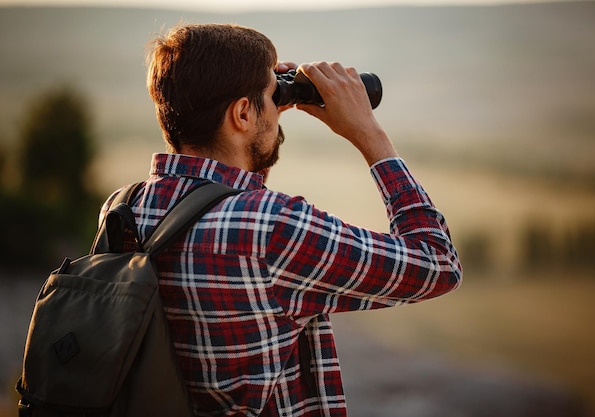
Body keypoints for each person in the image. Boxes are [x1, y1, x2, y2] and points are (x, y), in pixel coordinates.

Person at [99, 23, 462, 417]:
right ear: (241, 113)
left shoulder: (123, 208)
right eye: (270, 97)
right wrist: (369, 134)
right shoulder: (274, 229)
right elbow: (437, 263)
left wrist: (261, 115)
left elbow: (228, 203)